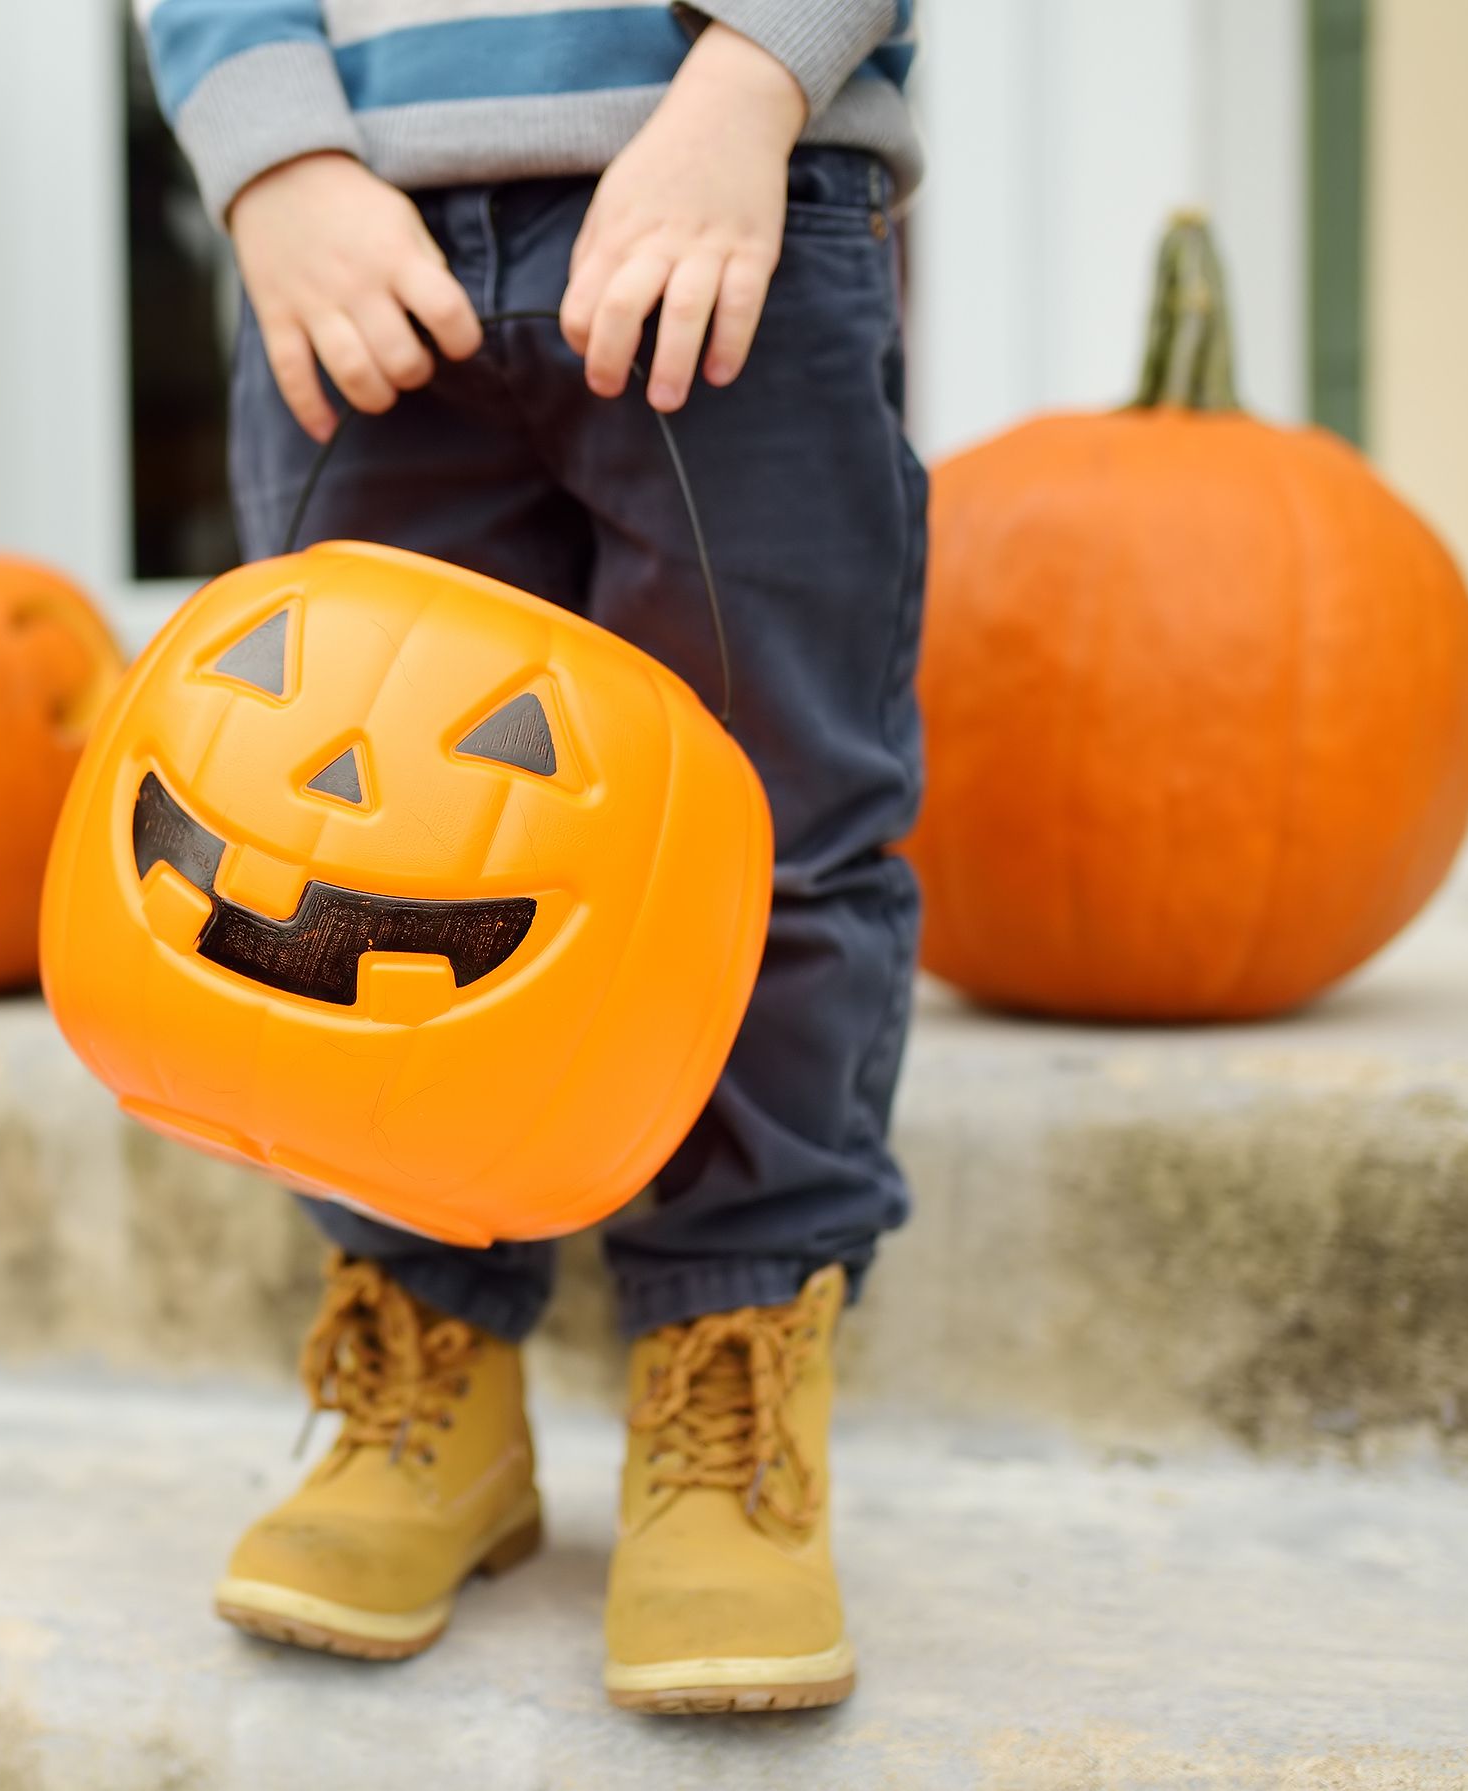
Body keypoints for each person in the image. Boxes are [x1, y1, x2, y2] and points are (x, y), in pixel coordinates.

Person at [136, 0, 926, 1715]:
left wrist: (747, 89)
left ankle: (731, 1374)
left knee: (765, 833)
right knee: (340, 851)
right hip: (356, 225)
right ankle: (430, 1369)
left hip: (730, 192)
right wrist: (271, 155)